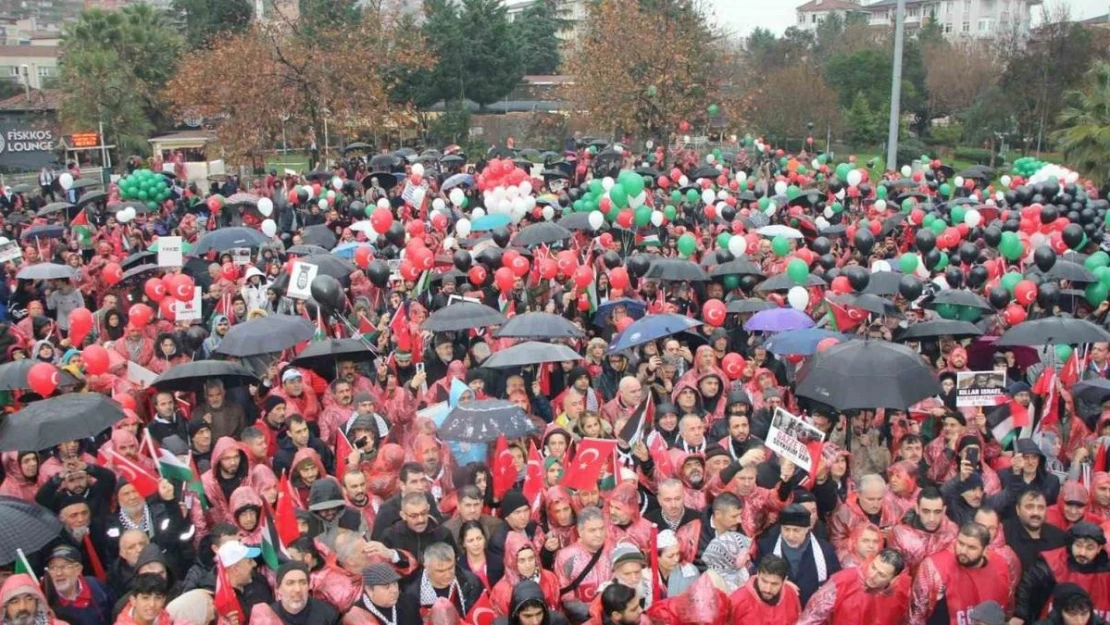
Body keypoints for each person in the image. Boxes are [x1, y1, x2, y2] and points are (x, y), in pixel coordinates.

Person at [908, 523, 1015, 625]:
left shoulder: (1000, 566)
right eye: (960, 543)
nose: (963, 551)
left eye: (971, 547)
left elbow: (1007, 608)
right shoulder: (934, 566)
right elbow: (917, 614)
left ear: (985, 550)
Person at [1013, 522, 1110, 623]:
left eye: (1090, 548)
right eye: (1078, 545)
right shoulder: (1052, 561)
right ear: (1071, 544)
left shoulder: (1107, 571)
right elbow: (1027, 586)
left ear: (1099, 548)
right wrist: (1020, 615)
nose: (1082, 552)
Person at [753, 503, 840, 605]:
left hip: (812, 610)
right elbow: (756, 578)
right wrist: (781, 584)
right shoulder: (767, 546)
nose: (790, 536)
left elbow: (836, 583)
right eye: (786, 529)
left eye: (796, 530)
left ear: (807, 529)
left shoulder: (825, 550)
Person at [796, 549, 910, 625]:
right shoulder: (844, 580)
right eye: (873, 567)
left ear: (894, 579)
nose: (873, 575)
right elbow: (813, 614)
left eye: (882, 574)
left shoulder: (901, 592)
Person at [400, 542, 483, 617]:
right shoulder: (412, 593)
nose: (447, 574)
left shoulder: (471, 582)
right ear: (427, 567)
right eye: (440, 571)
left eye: (450, 568)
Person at [248, 562, 339, 625]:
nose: (297, 589)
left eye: (302, 582)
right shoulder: (269, 617)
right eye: (290, 583)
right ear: (278, 589)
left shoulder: (327, 614)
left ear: (309, 586)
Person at [44, 544, 114, 625]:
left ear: (78, 569)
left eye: (64, 566)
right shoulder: (50, 606)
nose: (58, 573)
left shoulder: (95, 585)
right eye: (53, 567)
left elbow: (117, 611)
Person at [728, 554, 801, 624]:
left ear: (784, 581)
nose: (767, 589)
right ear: (758, 574)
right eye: (764, 581)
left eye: (774, 584)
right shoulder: (737, 600)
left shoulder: (791, 596)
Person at [351, 562, 420, 625]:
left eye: (395, 583)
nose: (395, 590)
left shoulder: (409, 603)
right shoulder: (358, 615)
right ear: (370, 590)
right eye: (387, 587)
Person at [491, 579, 570, 625]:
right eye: (528, 616)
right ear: (517, 613)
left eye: (539, 614)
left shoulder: (558, 622)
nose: (535, 622)